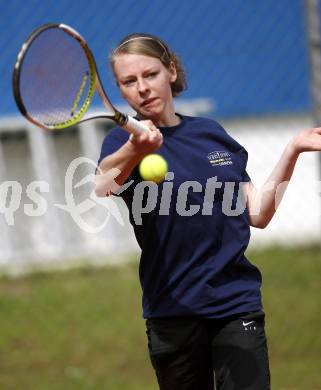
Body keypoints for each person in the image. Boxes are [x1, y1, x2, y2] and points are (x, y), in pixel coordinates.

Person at [95, 32, 321, 390]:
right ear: (120, 90)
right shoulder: (121, 143)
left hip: (235, 302)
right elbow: (103, 185)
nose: (142, 88)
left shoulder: (211, 134)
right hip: (172, 310)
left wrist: (293, 149)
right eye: (129, 81)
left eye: (150, 74)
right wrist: (135, 151)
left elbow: (259, 213)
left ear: (170, 71)